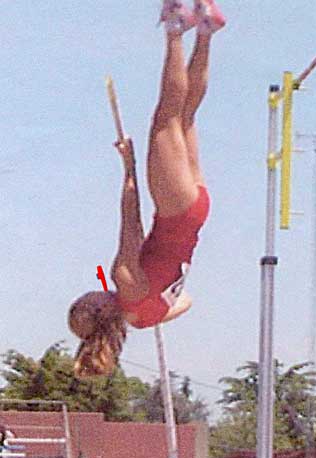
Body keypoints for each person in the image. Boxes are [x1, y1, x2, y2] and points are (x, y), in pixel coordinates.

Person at [68, 0, 226, 377]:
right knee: (166, 118)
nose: (89, 293)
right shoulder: (123, 281)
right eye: (84, 300)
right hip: (175, 209)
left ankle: (206, 31)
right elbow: (131, 222)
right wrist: (130, 167)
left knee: (185, 117)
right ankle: (176, 27)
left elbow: (185, 301)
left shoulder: (143, 318)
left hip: (195, 211)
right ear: (97, 310)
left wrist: (162, 277)